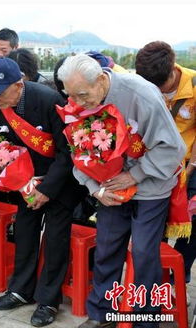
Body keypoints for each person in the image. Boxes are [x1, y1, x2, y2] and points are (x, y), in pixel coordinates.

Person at [56, 54, 186, 328]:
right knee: (106, 248)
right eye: (71, 95)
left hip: (151, 186)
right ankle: (102, 314)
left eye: (82, 95)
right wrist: (95, 189)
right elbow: (77, 153)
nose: (77, 103)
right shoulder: (78, 99)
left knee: (143, 253)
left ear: (102, 80)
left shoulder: (140, 94)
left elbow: (173, 149)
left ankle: (145, 319)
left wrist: (134, 175)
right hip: (110, 188)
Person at [0, 58, 85, 326]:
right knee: (24, 232)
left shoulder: (49, 101)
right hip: (27, 181)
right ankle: (21, 290)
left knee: (56, 240)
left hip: (61, 182)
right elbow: (8, 148)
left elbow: (68, 151)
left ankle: (48, 300)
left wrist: (46, 188)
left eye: (0, 93)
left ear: (18, 85)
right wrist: (21, 181)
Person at [135, 41, 196, 290]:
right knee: (152, 228)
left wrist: (190, 168)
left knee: (192, 220)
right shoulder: (142, 85)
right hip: (154, 162)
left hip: (189, 161)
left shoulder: (193, 84)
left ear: (173, 70)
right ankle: (153, 281)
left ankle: (178, 279)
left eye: (162, 86)